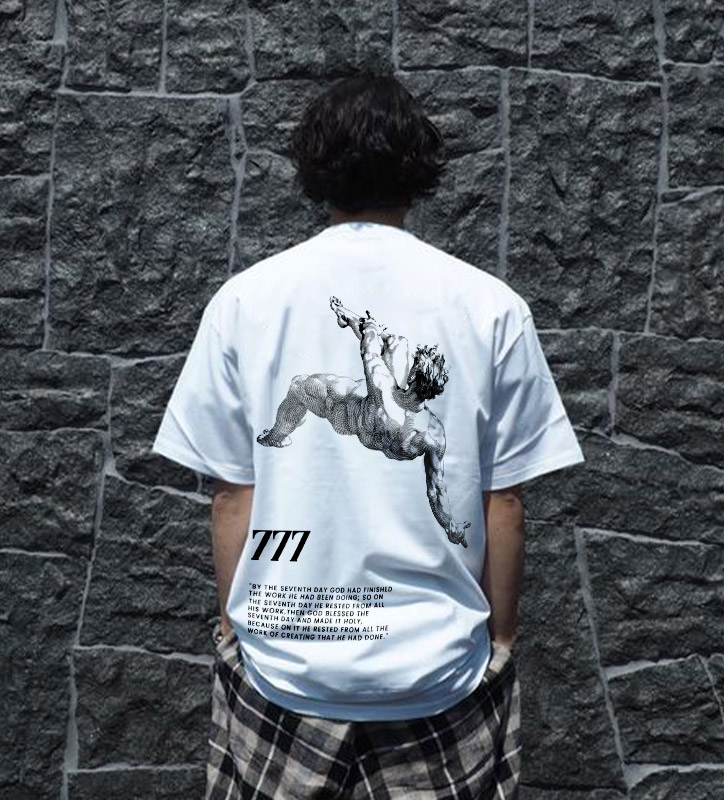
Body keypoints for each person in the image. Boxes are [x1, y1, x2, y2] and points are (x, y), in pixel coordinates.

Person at [152, 70, 585, 800]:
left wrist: (232, 631)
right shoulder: (491, 307)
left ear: (314, 167)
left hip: (286, 661)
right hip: (435, 667)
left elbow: (232, 495)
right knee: (315, 395)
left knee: (305, 395)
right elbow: (503, 504)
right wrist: (501, 643)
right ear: (419, 167)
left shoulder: (244, 302)